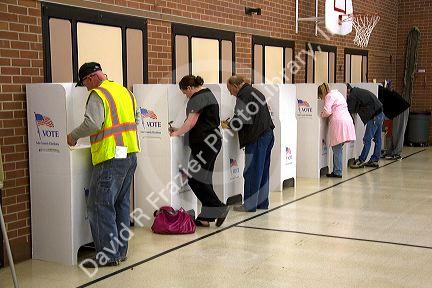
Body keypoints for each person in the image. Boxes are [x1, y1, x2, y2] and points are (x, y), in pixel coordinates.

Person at [67, 62, 139, 267]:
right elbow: (136, 119)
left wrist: (72, 136)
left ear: (90, 78)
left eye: (85, 84)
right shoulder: (124, 91)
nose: (87, 89)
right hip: (130, 153)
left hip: (110, 157)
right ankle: (120, 252)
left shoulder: (98, 94)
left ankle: (107, 256)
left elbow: (93, 123)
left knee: (99, 205)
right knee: (121, 204)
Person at [169, 75, 229, 228]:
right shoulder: (208, 94)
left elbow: (191, 122)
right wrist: (178, 129)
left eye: (184, 92)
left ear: (189, 88)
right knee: (204, 178)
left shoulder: (197, 98)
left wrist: (176, 133)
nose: (185, 95)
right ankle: (206, 217)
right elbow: (199, 122)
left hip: (205, 144)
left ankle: (218, 207)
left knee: (195, 179)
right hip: (213, 142)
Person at [223, 75, 275, 212]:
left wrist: (226, 124)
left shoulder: (243, 95)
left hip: (257, 138)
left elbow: (240, 120)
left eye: (230, 90)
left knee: (252, 172)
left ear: (235, 86)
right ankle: (262, 204)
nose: (230, 93)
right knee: (262, 171)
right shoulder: (254, 92)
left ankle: (250, 205)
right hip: (268, 134)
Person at [318, 83, 356, 178]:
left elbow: (327, 111)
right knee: (339, 148)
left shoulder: (329, 96)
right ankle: (337, 170)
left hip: (338, 122)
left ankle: (337, 172)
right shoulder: (337, 94)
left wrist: (321, 115)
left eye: (320, 96)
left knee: (337, 149)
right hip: (347, 120)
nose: (321, 98)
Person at [347, 84, 384, 168]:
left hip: (374, 116)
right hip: (380, 113)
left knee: (367, 139)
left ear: (347, 90)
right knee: (378, 139)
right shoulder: (358, 91)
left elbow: (350, 109)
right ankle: (374, 160)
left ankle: (361, 160)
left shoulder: (352, 95)